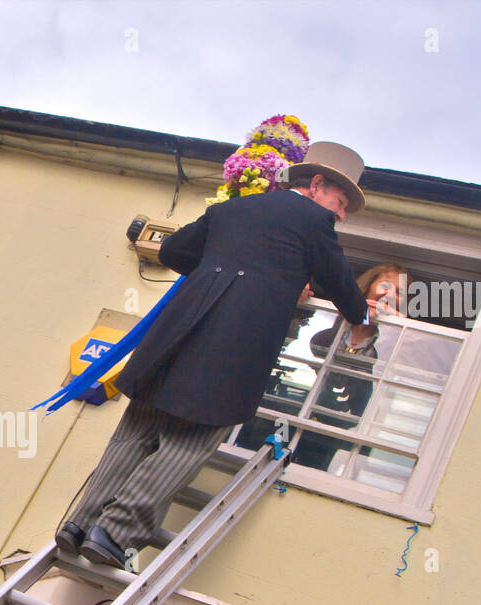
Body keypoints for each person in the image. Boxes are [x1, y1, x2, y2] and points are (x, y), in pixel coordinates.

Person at [57, 142, 375, 570]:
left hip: (172, 340)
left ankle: (78, 524)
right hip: (229, 352)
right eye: (340, 203)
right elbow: (338, 281)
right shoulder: (314, 222)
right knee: (187, 444)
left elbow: (173, 253)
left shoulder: (235, 209)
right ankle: (114, 533)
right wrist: (361, 317)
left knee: (135, 434)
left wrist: (225, 265)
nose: (340, 215)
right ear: (317, 185)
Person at [293, 263, 406, 472]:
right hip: (295, 418)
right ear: (367, 287)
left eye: (399, 293)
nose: (390, 295)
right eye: (386, 286)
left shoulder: (394, 343)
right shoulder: (324, 328)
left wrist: (396, 324)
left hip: (340, 436)